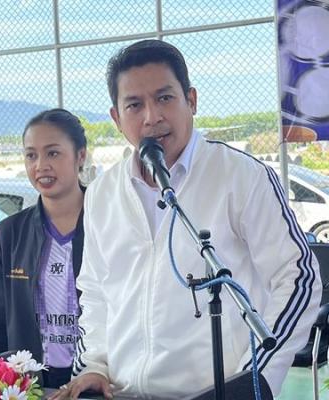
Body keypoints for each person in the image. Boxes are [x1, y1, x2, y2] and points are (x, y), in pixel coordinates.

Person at [50, 40, 322, 400]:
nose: (152, 117)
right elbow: (96, 292)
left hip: (216, 393)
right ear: (116, 118)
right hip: (122, 392)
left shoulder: (242, 176)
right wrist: (94, 365)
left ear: (191, 100)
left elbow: (298, 276)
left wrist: (254, 379)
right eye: (134, 105)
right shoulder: (102, 193)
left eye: (164, 98)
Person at [0, 108, 87, 389]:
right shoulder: (9, 233)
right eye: (31, 155)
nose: (41, 165)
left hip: (97, 379)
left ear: (80, 156)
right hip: (31, 384)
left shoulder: (110, 224)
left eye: (53, 153)